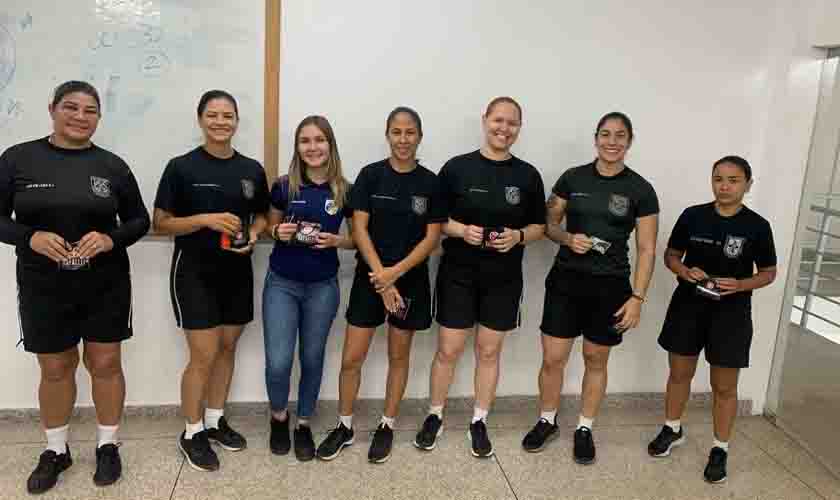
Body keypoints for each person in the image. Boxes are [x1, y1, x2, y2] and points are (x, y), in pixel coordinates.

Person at [0, 80, 150, 493]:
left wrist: (109, 239)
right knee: (55, 367)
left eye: (90, 110)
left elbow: (140, 221)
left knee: (105, 364)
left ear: (99, 118)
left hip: (105, 282)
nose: (81, 117)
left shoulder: (113, 166)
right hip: (42, 283)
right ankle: (55, 450)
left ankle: (107, 444)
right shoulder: (17, 159)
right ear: (52, 109)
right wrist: (29, 237)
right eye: (71, 107)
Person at [522, 112, 659, 465]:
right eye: (605, 134)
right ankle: (547, 420)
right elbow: (548, 223)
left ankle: (584, 427)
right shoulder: (572, 178)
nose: (612, 141)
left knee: (595, 359)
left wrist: (638, 298)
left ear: (630, 141)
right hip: (566, 281)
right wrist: (569, 237)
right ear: (595, 138)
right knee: (553, 358)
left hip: (611, 286)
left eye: (620, 135)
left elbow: (647, 249)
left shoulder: (641, 190)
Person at [414, 97, 545, 458]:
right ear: (485, 120)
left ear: (519, 128)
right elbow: (437, 220)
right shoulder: (456, 168)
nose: (504, 128)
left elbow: (539, 226)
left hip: (503, 279)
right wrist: (460, 230)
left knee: (489, 351)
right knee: (448, 350)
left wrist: (518, 237)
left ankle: (479, 420)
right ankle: (435, 415)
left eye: (512, 123)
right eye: (498, 120)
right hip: (458, 274)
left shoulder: (528, 175)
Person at [316, 107, 446, 463]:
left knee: (398, 356)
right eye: (396, 132)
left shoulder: (431, 182)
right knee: (351, 358)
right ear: (387, 135)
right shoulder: (371, 176)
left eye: (410, 133)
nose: (403, 139)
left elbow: (431, 238)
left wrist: (395, 275)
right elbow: (359, 229)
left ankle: (387, 425)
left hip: (411, 282)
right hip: (370, 279)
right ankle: (344, 426)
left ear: (419, 136)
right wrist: (382, 278)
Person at [153, 90, 269, 472]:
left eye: (228, 115)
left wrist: (254, 235)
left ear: (237, 121)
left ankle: (216, 420)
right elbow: (161, 221)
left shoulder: (251, 169)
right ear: (200, 119)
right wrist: (205, 219)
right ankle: (191, 431)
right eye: (213, 115)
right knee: (202, 355)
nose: (221, 122)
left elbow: (262, 217)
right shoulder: (181, 167)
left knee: (227, 349)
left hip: (236, 272)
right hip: (194, 272)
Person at [647, 155, 776, 483]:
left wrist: (742, 284)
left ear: (748, 184)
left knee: (724, 386)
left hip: (731, 314)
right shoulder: (693, 217)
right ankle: (672, 429)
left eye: (733, 180)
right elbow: (671, 256)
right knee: (679, 374)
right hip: (688, 306)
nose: (725, 186)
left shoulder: (757, 226)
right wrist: (684, 270)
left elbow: (769, 272)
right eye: (718, 178)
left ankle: (720, 448)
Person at [262, 115, 354, 461]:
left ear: (330, 145)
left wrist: (338, 241)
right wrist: (277, 232)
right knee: (278, 362)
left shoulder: (345, 190)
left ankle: (303, 423)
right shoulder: (284, 186)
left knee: (312, 358)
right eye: (305, 141)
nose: (312, 147)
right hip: (281, 285)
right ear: (297, 147)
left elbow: (359, 238)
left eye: (319, 140)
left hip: (322, 287)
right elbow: (269, 224)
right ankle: (278, 417)